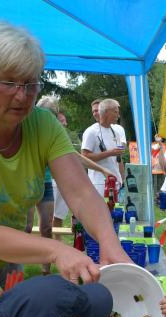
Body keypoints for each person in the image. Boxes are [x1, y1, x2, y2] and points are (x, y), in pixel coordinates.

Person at [0, 21, 129, 304]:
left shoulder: (44, 125)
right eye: (8, 83)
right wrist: (57, 250)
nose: (22, 96)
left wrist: (108, 240)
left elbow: (80, 192)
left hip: (10, 253)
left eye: (30, 84)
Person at [29, 96, 113, 272]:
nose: (47, 119)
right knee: (26, 228)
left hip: (45, 184)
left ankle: (45, 272)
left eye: (51, 115)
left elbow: (75, 156)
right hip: (27, 184)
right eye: (44, 114)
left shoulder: (54, 133)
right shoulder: (27, 129)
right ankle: (14, 270)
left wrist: (102, 170)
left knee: (46, 227)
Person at [81, 98, 126, 196]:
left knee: (115, 207)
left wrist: (122, 178)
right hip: (99, 184)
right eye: (115, 112)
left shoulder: (116, 133)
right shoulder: (91, 132)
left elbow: (119, 159)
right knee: (102, 207)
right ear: (106, 112)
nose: (118, 115)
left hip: (116, 182)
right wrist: (109, 153)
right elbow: (84, 157)